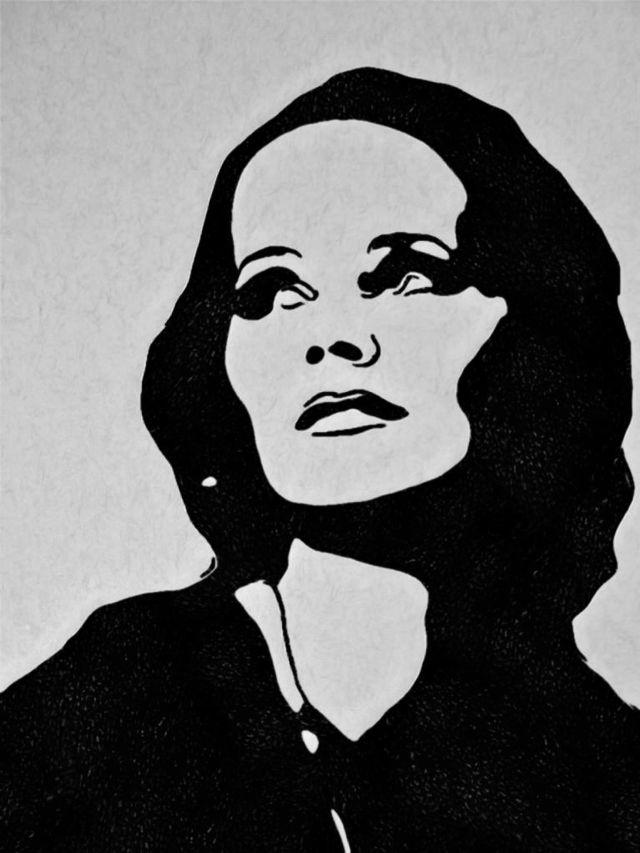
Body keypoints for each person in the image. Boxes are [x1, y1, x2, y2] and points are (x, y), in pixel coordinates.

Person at [2, 67, 639, 851]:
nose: (333, 336)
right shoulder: (110, 699)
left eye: (407, 276)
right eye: (272, 291)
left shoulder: (599, 769)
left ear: (530, 322)